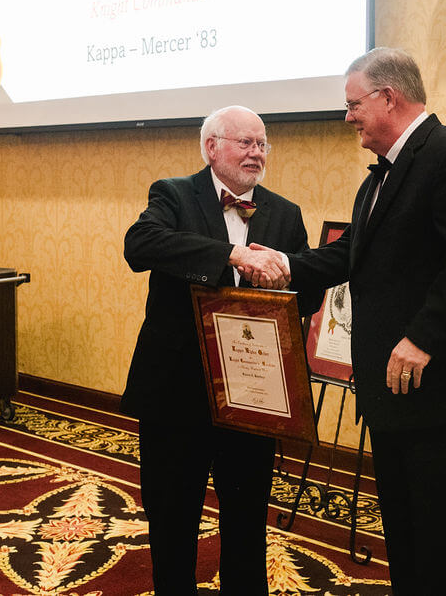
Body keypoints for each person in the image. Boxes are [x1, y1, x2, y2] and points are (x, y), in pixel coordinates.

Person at [248, 47, 446, 594]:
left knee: (443, 535)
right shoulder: (378, 180)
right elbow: (351, 254)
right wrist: (281, 266)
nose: (347, 117)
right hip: (394, 392)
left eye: (353, 105)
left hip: (444, 387)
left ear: (388, 98)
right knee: (405, 529)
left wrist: (422, 338)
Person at [121, 105, 312, 595]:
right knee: (172, 516)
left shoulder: (285, 213)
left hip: (251, 396)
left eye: (262, 143)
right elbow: (139, 245)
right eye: (244, 142)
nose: (256, 153)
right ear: (211, 148)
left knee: (247, 518)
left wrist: (286, 277)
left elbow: (302, 299)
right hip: (175, 391)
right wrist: (230, 255)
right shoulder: (174, 195)